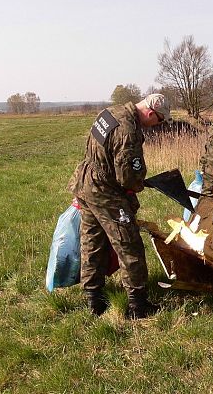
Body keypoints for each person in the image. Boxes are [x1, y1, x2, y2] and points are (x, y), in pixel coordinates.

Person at [68, 93, 170, 318]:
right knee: (129, 243)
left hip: (86, 183)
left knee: (92, 241)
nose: (158, 126)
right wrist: (136, 186)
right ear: (151, 113)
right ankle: (138, 305)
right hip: (105, 191)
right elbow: (128, 177)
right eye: (159, 121)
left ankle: (94, 299)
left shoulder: (111, 112)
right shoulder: (128, 131)